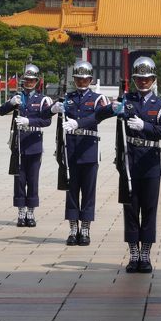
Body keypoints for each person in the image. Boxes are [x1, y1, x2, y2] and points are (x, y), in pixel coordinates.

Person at [96, 56, 161, 272]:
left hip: (150, 162)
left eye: (147, 79)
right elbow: (99, 116)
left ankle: (146, 254)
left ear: (154, 79)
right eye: (139, 78)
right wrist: (112, 108)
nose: (143, 82)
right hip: (129, 162)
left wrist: (144, 126)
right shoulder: (126, 100)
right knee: (130, 209)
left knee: (149, 209)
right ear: (134, 79)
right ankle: (133, 253)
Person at [48, 60, 108, 246]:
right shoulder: (67, 97)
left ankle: (85, 229)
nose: (81, 82)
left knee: (88, 192)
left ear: (90, 79)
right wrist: (53, 109)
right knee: (72, 191)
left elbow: (100, 115)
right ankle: (73, 229)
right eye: (78, 79)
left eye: (84, 79)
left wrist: (79, 123)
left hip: (89, 149)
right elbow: (44, 114)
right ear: (74, 79)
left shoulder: (98, 99)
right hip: (71, 149)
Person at [0, 64, 52, 227]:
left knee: (33, 179)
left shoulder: (42, 100)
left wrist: (30, 121)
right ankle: (21, 212)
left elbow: (47, 120)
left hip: (34, 143)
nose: (29, 83)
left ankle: (31, 212)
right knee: (19, 180)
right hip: (19, 145)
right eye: (27, 80)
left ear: (37, 81)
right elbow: (0, 111)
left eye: (32, 80)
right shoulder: (18, 97)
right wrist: (10, 103)